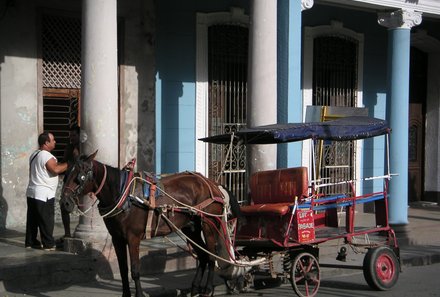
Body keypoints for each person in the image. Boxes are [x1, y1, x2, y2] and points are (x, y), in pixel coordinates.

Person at [25, 132, 68, 250]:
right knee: (46, 220)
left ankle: (31, 242)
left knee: (32, 220)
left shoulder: (34, 154)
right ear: (46, 143)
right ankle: (48, 244)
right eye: (52, 140)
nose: (55, 142)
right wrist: (70, 164)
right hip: (44, 194)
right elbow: (55, 169)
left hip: (32, 192)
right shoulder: (46, 155)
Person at [58, 126, 80, 243]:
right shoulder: (69, 147)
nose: (72, 138)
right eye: (70, 136)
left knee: (82, 204)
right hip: (69, 179)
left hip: (81, 181)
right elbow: (64, 161)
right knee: (64, 204)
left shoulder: (84, 147)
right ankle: (67, 233)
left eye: (74, 136)